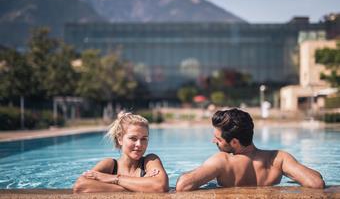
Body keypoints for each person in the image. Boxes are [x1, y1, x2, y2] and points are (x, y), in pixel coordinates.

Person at [176, 108, 325, 191]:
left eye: (218, 139)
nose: (213, 140)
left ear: (234, 142)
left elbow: (183, 185)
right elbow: (316, 182)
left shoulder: (222, 162)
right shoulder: (278, 159)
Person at [73, 112, 169, 193]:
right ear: (120, 139)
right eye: (133, 138)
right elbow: (80, 186)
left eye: (144, 139)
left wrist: (113, 179)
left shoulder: (150, 160)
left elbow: (160, 186)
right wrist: (141, 186)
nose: (139, 144)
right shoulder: (110, 164)